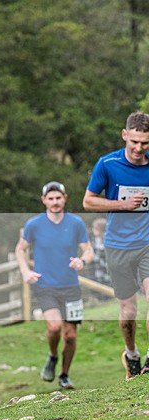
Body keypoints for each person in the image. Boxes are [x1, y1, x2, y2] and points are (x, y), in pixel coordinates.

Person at [83, 111, 149, 379]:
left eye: (144, 143)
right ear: (125, 136)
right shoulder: (107, 164)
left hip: (147, 244)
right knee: (129, 311)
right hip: (118, 246)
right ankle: (131, 354)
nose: (138, 148)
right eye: (134, 141)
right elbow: (88, 201)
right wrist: (122, 205)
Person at [16, 181, 93, 389]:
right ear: (44, 201)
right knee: (54, 326)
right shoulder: (34, 225)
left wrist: (82, 261)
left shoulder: (76, 223)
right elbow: (20, 249)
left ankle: (64, 375)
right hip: (45, 286)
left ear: (65, 198)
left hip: (71, 287)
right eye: (50, 198)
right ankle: (52, 355)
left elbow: (88, 250)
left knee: (70, 335)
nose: (55, 202)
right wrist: (25, 271)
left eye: (58, 198)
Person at [89, 217, 112, 298]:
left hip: (108, 272)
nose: (93, 230)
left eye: (95, 228)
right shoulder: (96, 241)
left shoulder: (109, 240)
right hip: (99, 272)